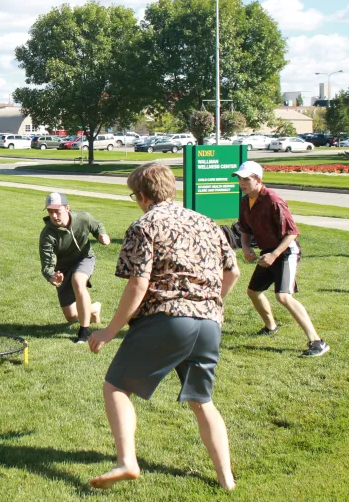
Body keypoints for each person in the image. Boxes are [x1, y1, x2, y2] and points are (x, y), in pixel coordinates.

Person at [88, 163, 240, 491]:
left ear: (142, 196)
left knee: (116, 387)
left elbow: (137, 285)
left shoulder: (145, 225)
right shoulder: (207, 222)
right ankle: (226, 479)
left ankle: (127, 461)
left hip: (168, 319)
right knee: (203, 401)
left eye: (134, 196)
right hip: (209, 324)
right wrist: (210, 302)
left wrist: (109, 330)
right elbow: (233, 272)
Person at [233, 161, 329, 358]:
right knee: (253, 292)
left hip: (285, 252)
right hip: (268, 252)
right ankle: (271, 327)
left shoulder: (274, 200)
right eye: (240, 179)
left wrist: (274, 254)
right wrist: (245, 248)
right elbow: (245, 229)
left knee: (283, 296)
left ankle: (317, 342)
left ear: (258, 180)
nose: (242, 183)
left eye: (246, 179)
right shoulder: (245, 201)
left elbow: (292, 233)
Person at [39, 192, 111, 344]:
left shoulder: (82, 218)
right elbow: (47, 265)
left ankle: (84, 332)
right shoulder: (47, 235)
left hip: (83, 258)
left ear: (67, 208)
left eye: (57, 211)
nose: (54, 216)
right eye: (50, 212)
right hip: (62, 269)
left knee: (78, 281)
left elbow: (97, 225)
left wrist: (102, 235)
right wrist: (53, 277)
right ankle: (93, 309)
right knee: (71, 316)